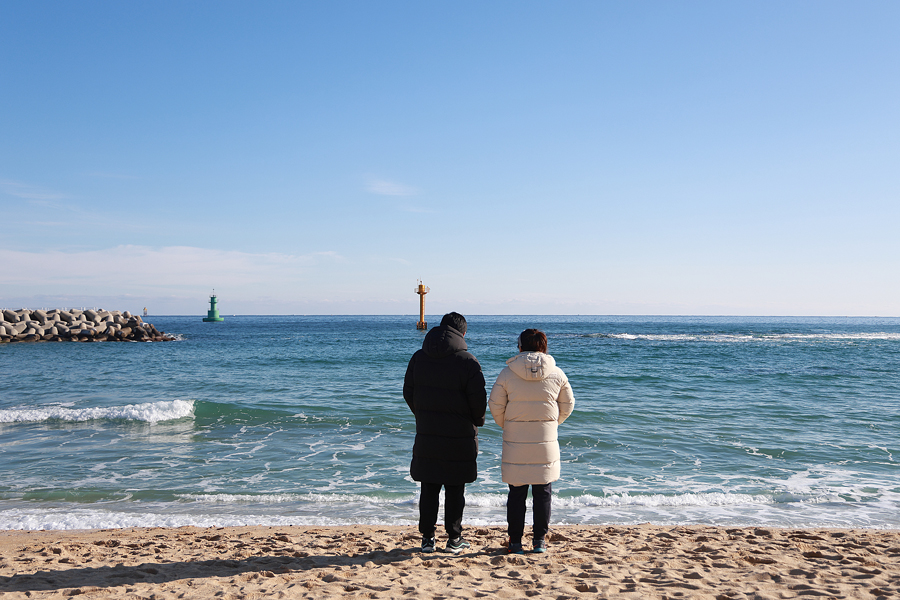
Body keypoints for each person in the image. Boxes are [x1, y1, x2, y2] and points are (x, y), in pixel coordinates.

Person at [404, 312, 487, 554]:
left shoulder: (419, 358)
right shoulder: (468, 361)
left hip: (427, 432)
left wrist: (422, 414)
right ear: (463, 333)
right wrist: (476, 421)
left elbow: (408, 392)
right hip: (459, 435)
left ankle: (428, 539)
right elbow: (478, 401)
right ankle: (454, 538)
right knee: (455, 488)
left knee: (429, 487)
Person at [488, 328, 574, 554]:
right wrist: (552, 424)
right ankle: (539, 541)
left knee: (516, 492)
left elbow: (495, 405)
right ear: (544, 347)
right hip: (545, 441)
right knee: (543, 491)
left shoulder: (507, 373)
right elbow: (568, 405)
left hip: (515, 441)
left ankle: (515, 542)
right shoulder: (557, 373)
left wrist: (507, 424)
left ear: (520, 346)